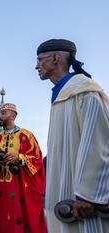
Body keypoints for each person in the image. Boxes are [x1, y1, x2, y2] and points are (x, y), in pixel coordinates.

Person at [36, 39, 109, 232]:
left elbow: (99, 143)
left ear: (55, 58)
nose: (37, 66)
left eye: (40, 59)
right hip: (64, 197)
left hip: (84, 203)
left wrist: (88, 195)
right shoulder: (62, 96)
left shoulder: (87, 93)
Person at [0, 103, 47, 233]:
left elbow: (37, 159)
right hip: (2, 187)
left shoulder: (26, 135)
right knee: (3, 218)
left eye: (3, 113)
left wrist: (19, 157)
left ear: (13, 116)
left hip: (20, 187)